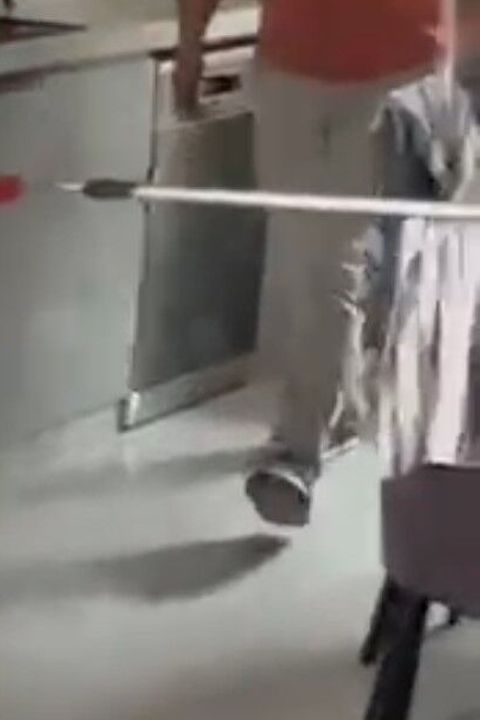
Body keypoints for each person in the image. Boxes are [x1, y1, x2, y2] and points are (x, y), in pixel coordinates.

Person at [176, 0, 439, 527]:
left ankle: (299, 450)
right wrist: (190, 50)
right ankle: (335, 416)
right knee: (317, 264)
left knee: (343, 264)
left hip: (403, 76)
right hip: (293, 75)